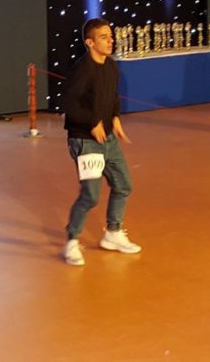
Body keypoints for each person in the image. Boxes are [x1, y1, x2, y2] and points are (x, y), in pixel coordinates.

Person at [62, 18, 142, 266]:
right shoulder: (82, 70)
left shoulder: (111, 66)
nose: (110, 41)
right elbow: (69, 105)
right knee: (91, 195)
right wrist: (92, 122)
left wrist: (114, 118)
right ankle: (72, 241)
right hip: (85, 140)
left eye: (111, 36)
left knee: (123, 185)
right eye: (104, 37)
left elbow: (112, 96)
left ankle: (113, 234)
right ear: (90, 43)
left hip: (108, 138)